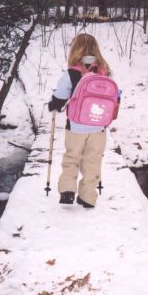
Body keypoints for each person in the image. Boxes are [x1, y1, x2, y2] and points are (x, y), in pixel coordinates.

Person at [48, 33, 111, 208]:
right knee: (93, 160)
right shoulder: (106, 73)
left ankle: (68, 191)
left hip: (76, 125)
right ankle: (88, 197)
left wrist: (53, 104)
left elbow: (60, 99)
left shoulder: (72, 74)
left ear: (75, 49)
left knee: (72, 157)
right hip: (98, 126)